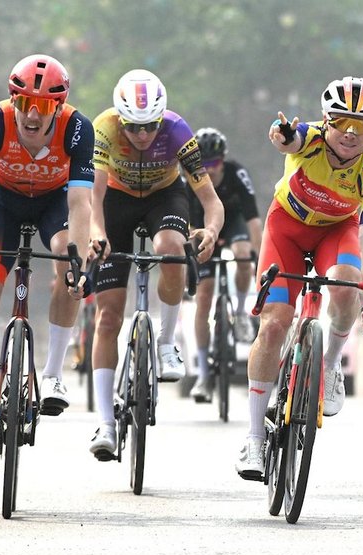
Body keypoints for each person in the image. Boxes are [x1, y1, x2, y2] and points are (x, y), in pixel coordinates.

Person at [235, 76, 363, 479]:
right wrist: (281, 133)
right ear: (327, 121)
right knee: (273, 326)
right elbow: (289, 139)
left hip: (336, 231)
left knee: (346, 288)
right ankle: (253, 440)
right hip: (287, 225)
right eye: (342, 122)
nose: (351, 134)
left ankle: (332, 365)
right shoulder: (312, 139)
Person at [87, 69, 224, 459]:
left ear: (161, 119)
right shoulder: (104, 129)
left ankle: (166, 344)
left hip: (165, 197)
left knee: (170, 245)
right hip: (116, 201)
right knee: (108, 318)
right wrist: (97, 233)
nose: (142, 135)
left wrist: (211, 231)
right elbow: (93, 198)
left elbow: (210, 201)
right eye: (133, 126)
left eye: (150, 126)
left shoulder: (178, 131)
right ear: (119, 118)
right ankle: (105, 424)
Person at [0, 54, 94, 466]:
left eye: (42, 107)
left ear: (57, 108)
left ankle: (54, 371)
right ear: (13, 101)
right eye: (24, 103)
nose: (32, 114)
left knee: (67, 259)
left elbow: (80, 203)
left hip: (52, 204)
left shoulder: (78, 129)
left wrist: (78, 262)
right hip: (0, 205)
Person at [186, 127, 262, 403]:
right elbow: (184, 222)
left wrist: (259, 256)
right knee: (203, 298)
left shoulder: (236, 174)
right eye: (204, 165)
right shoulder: (190, 179)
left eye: (215, 163)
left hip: (233, 223)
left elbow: (253, 218)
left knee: (243, 255)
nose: (211, 170)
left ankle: (240, 312)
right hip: (200, 227)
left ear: (223, 159)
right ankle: (204, 375)